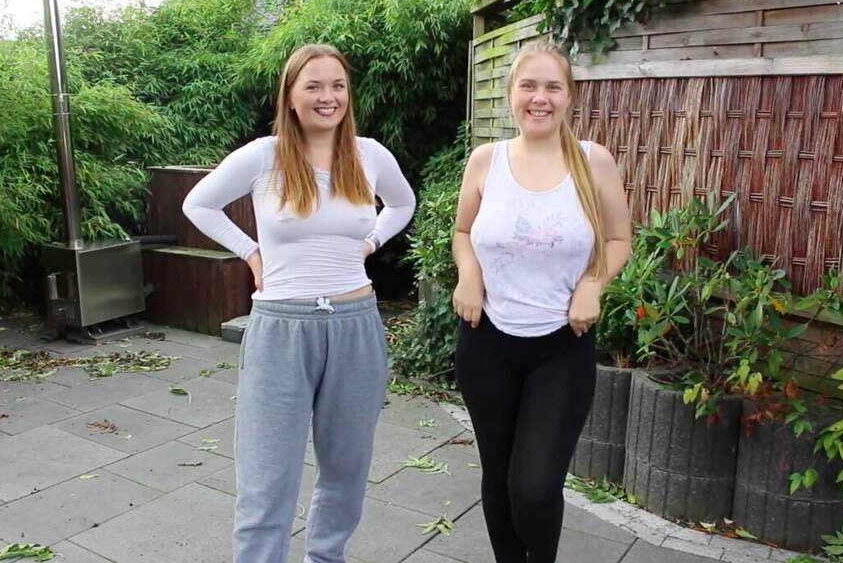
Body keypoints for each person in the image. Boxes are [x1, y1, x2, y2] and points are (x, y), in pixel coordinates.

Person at [182, 43, 415, 563]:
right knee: (266, 476)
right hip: (281, 329)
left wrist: (371, 242)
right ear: (290, 95)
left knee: (346, 470)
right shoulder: (263, 156)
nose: (327, 97)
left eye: (337, 85)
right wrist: (251, 252)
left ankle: (325, 557)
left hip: (356, 327)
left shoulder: (370, 155)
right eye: (313, 86)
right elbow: (198, 203)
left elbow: (403, 203)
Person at [451, 40, 632, 563]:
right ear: (511, 93)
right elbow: (462, 231)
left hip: (562, 347)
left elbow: (618, 238)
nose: (540, 97)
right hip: (485, 343)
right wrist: (468, 273)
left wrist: (593, 283)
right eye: (528, 85)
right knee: (498, 476)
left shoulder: (593, 162)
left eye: (552, 87)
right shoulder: (485, 161)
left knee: (533, 486)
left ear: (570, 96)